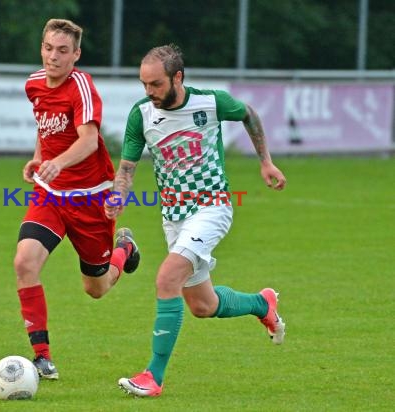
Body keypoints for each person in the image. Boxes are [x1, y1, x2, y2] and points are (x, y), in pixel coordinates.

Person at [105, 44, 287, 397]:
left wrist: (265, 161)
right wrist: (119, 192)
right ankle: (262, 303)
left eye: (156, 84)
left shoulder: (211, 102)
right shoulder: (140, 114)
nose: (149, 92)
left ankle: (152, 377)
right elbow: (127, 166)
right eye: (144, 84)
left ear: (178, 77)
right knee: (203, 306)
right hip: (174, 217)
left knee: (166, 277)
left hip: (212, 207)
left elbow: (249, 114)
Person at [14, 18, 140, 380]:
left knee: (96, 288)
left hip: (90, 199)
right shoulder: (34, 84)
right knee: (25, 262)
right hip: (50, 195)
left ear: (76, 55)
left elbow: (87, 141)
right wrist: (40, 159)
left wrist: (56, 162)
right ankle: (41, 357)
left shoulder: (81, 86)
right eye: (49, 48)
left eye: (63, 51)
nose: (54, 57)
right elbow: (44, 129)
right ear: (42, 48)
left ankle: (124, 251)